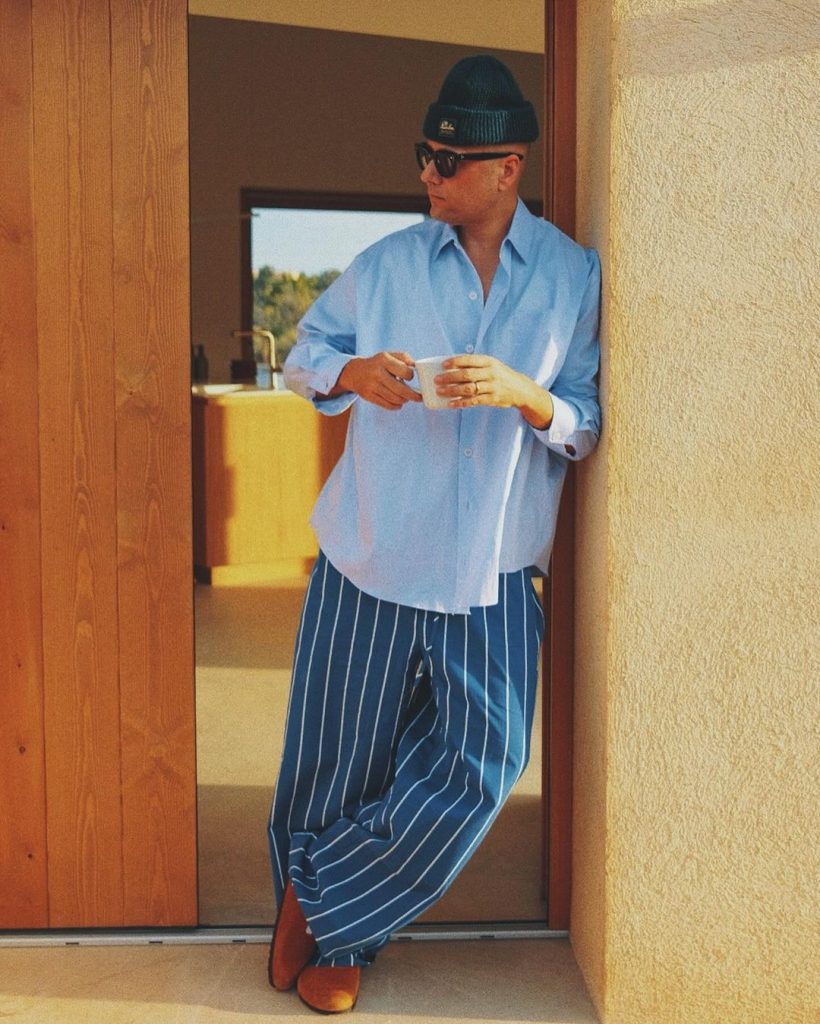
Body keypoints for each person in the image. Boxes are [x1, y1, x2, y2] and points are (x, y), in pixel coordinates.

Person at [266, 54, 601, 1014]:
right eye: (425, 155)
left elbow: (584, 420)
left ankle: (321, 900)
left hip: (493, 567)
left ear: (508, 167)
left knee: (484, 760)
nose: (428, 173)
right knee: (337, 753)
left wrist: (528, 394)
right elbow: (304, 354)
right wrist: (350, 375)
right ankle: (342, 944)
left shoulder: (572, 276)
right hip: (372, 549)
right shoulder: (385, 266)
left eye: (448, 161)